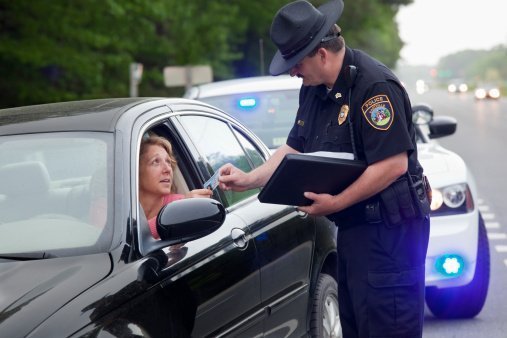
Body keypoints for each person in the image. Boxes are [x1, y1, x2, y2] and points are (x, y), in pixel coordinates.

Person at [218, 0, 431, 337]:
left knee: (388, 327)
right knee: (358, 327)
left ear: (321, 53)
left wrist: (336, 203)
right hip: (353, 233)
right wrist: (249, 179)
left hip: (390, 237)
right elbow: (294, 147)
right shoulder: (314, 90)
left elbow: (392, 165)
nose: (292, 71)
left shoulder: (374, 87)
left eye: (296, 62)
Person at [139, 134, 212, 239]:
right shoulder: (115, 208)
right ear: (137, 170)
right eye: (156, 161)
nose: (167, 169)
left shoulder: (182, 204)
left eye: (168, 162)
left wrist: (178, 211)